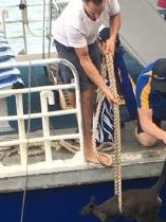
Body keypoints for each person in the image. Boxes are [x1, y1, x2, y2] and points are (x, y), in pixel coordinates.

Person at [51, 0, 121, 167]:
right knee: (85, 91)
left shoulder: (109, 1)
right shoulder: (73, 21)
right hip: (68, 45)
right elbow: (84, 60)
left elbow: (115, 15)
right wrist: (107, 90)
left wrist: (112, 37)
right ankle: (88, 148)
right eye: (92, 14)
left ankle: (87, 120)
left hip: (90, 39)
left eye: (99, 12)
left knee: (93, 87)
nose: (96, 17)